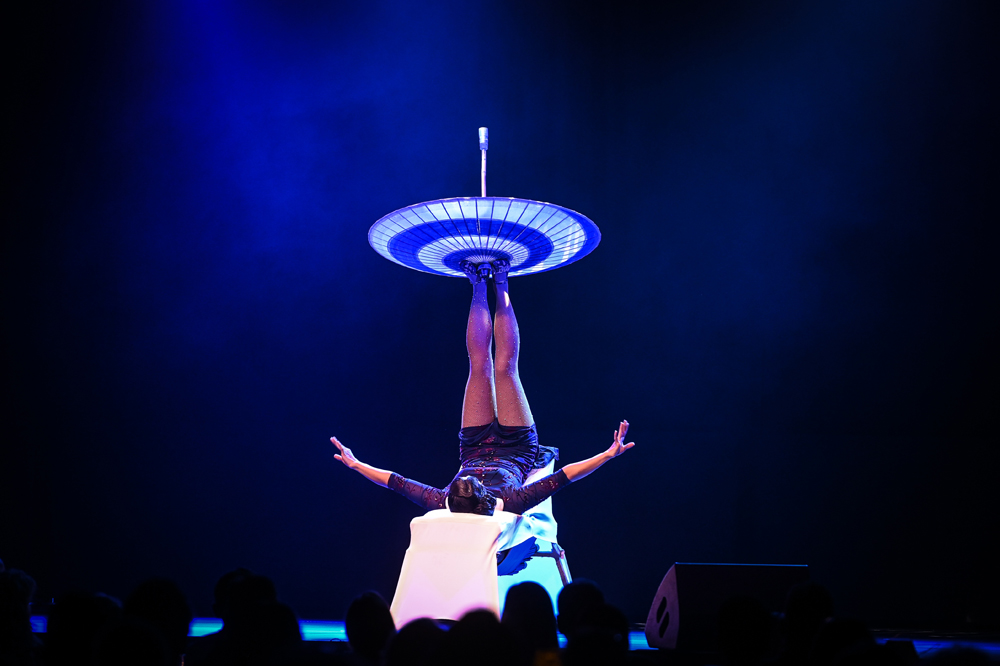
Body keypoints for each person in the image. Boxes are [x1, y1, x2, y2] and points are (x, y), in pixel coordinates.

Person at [331, 258, 635, 515]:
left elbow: (396, 482)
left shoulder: (444, 500)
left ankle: (477, 285)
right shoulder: (512, 501)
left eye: (458, 484)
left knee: (479, 367)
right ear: (483, 495)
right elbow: (565, 476)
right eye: (471, 483)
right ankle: (501, 283)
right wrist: (607, 454)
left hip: (473, 443)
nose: (465, 479)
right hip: (517, 446)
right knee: (505, 370)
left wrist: (357, 465)